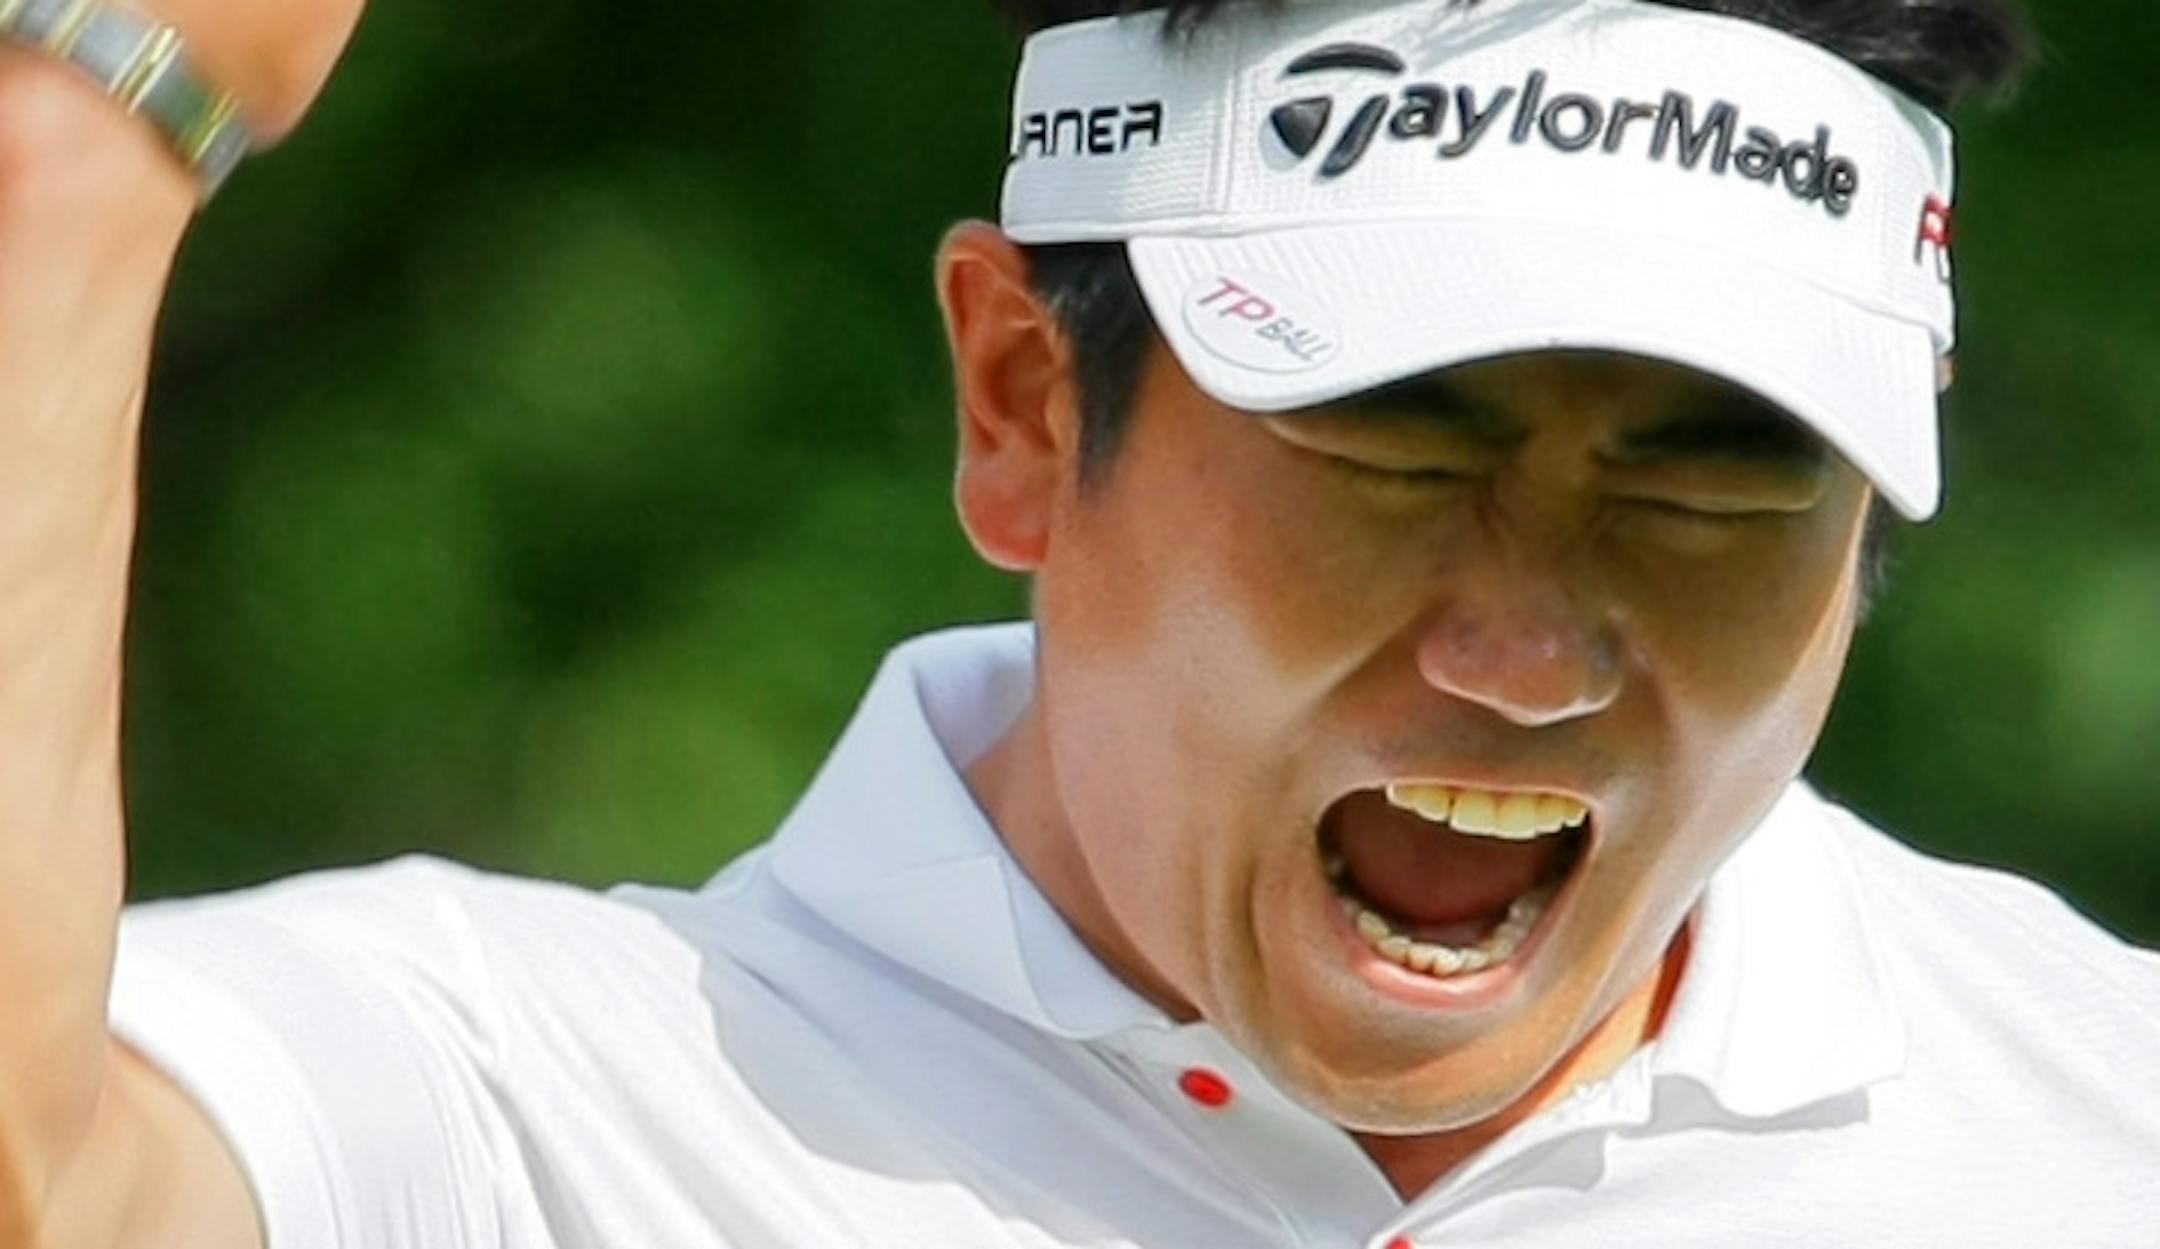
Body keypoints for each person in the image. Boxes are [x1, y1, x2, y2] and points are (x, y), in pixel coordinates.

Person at [1, 0, 2154, 1245]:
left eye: (1714, 472)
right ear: (1025, 399)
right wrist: (86, 139)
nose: (1530, 646)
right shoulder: (535, 1114)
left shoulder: (2101, 1120)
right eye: (1395, 445)